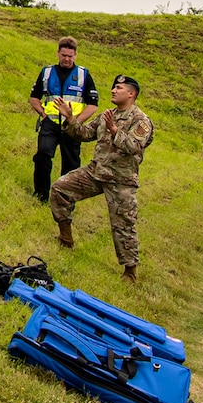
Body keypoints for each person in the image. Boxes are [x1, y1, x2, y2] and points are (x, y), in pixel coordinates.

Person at [50, 74, 152, 281]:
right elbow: (85, 134)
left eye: (119, 88)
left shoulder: (141, 121)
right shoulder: (108, 115)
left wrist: (116, 131)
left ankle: (130, 271)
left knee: (124, 224)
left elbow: (135, 146)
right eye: (114, 87)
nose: (113, 91)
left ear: (131, 94)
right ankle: (65, 238)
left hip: (121, 179)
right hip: (96, 172)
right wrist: (70, 118)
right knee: (60, 188)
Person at [27, 39, 98, 203]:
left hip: (71, 127)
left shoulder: (83, 75)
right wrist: (42, 114)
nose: (67, 59)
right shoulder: (47, 72)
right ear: (58, 53)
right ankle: (41, 195)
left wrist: (75, 121)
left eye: (70, 56)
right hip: (49, 124)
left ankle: (65, 198)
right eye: (64, 55)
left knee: (71, 163)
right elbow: (34, 98)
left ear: (75, 55)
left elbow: (93, 105)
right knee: (42, 156)